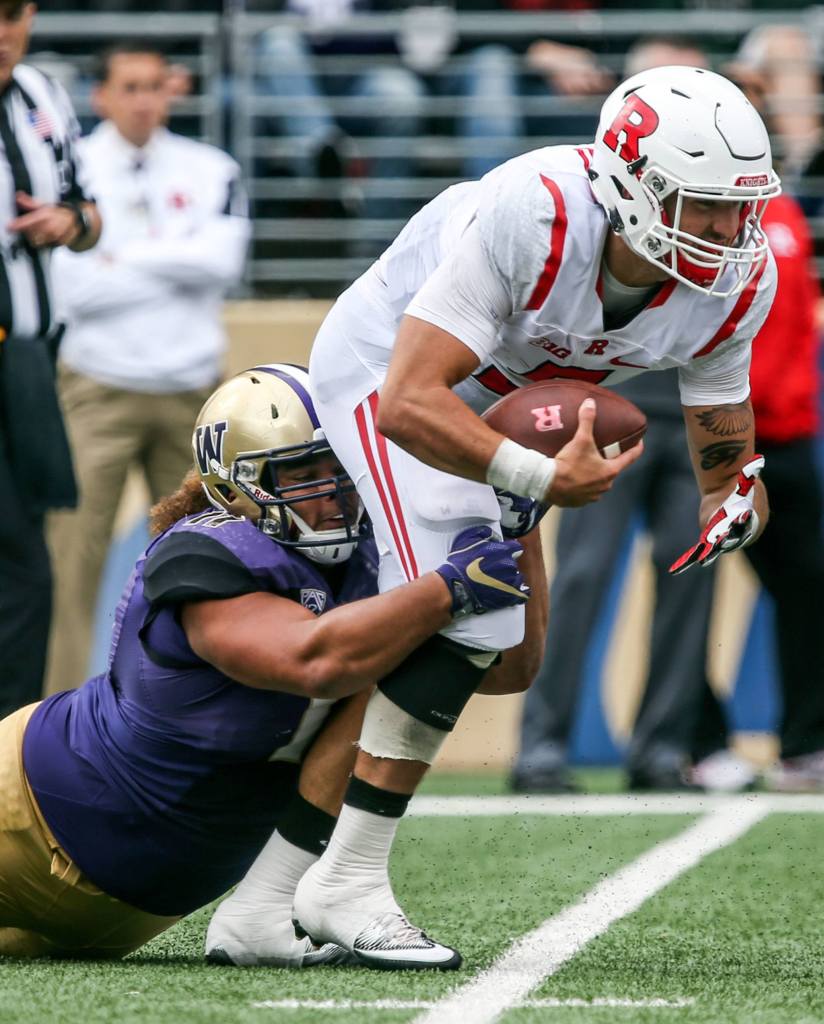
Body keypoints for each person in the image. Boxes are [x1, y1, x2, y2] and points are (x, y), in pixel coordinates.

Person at [273, 64, 778, 969]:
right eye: (703, 205)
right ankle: (341, 878)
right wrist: (536, 474)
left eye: (740, 207)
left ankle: (268, 897)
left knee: (508, 660)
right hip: (386, 369)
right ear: (631, 182)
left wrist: (732, 501)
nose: (728, 231)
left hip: (491, 418)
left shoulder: (737, 283)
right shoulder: (532, 210)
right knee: (469, 611)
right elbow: (408, 401)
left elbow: (724, 452)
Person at [0, 363, 532, 960]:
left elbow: (509, 668)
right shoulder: (207, 551)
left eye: (339, 469)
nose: (330, 493)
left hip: (130, 909)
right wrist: (446, 590)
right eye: (302, 473)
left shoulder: (373, 553)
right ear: (233, 488)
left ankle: (268, 910)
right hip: (24, 808)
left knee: (413, 660)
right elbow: (315, 661)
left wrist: (510, 528)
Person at [512, 37, 757, 796]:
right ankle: (541, 747)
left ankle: (662, 749)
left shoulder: (726, 215)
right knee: (581, 575)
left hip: (690, 414)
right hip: (604, 411)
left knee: (693, 579)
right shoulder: (597, 204)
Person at [45, 41, 250, 696]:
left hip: (190, 389)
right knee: (69, 565)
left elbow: (224, 264)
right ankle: (49, 717)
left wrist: (120, 257)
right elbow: (73, 291)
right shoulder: (72, 166)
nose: (143, 99)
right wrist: (176, 258)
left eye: (155, 85)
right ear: (101, 95)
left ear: (173, 90)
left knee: (204, 560)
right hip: (97, 385)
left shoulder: (211, 166)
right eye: (129, 87)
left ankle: (188, 712)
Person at [0, 0, 102, 721]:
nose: (3, 33)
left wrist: (69, 222)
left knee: (28, 561)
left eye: (11, 14)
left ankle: (14, 746)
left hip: (28, 364)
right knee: (21, 565)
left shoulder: (41, 94)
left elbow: (90, 215)